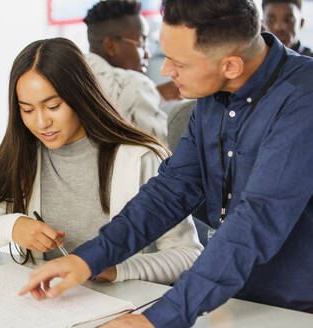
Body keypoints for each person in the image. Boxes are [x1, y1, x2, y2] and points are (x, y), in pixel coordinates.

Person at [20, 0, 313, 327]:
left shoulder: (303, 98)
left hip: (296, 307)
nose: (165, 71)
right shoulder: (212, 91)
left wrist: (157, 319)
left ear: (230, 65)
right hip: (227, 297)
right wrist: (87, 259)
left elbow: (256, 219)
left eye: (178, 63)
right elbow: (171, 190)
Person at [0, 37, 202, 285]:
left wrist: (119, 269)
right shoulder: (25, 157)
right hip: (52, 307)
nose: (41, 123)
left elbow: (189, 256)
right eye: (27, 110)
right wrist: (13, 226)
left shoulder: (141, 158)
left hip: (124, 307)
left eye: (53, 106)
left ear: (80, 96)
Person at [84, 0, 181, 145]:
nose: (147, 54)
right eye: (141, 43)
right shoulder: (135, 84)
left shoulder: (75, 74)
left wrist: (156, 94)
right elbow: (164, 149)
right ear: (111, 46)